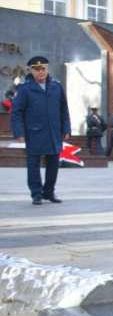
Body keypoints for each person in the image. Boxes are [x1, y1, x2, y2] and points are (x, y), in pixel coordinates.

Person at [11, 56, 71, 205]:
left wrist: (66, 128)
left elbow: (64, 109)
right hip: (34, 132)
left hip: (53, 132)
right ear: (31, 71)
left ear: (47, 69)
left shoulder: (56, 86)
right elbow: (16, 112)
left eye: (43, 68)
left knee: (53, 165)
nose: (41, 72)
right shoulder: (24, 89)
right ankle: (36, 194)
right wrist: (19, 132)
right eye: (37, 69)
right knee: (33, 166)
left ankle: (49, 192)